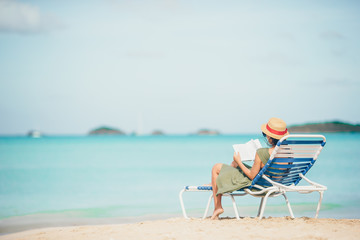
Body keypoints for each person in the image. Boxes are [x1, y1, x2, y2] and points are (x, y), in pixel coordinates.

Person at [210, 117, 289, 220]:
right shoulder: (288, 153)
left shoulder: (262, 152)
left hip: (260, 186)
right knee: (234, 164)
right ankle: (215, 182)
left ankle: (218, 207)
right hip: (275, 184)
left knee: (216, 167)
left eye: (265, 134)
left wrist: (239, 160)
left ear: (270, 137)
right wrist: (254, 163)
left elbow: (252, 176)